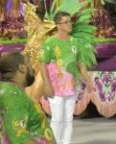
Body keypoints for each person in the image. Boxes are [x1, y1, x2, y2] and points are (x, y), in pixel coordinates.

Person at [40, 11, 96, 144]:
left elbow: (80, 63)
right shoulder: (50, 43)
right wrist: (47, 84)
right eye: (66, 22)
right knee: (57, 119)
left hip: (71, 87)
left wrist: (87, 79)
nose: (70, 24)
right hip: (55, 88)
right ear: (58, 25)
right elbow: (42, 64)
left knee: (68, 120)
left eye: (70, 21)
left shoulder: (75, 42)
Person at [0, 50, 54, 143]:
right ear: (22, 68)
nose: (33, 68)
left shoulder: (0, 90)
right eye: (29, 64)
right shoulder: (14, 97)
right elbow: (20, 139)